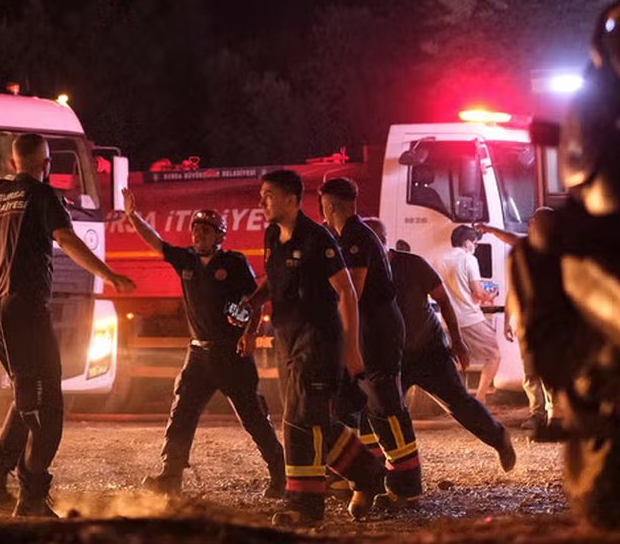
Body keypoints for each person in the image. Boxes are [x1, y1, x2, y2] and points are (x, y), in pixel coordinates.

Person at [0, 98, 135, 519]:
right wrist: (108, 274)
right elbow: (68, 242)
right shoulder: (41, 195)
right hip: (25, 310)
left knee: (25, 392)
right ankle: (31, 495)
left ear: (13, 160)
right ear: (44, 162)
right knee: (48, 405)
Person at [240, 170, 385, 527]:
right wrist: (252, 307)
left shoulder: (318, 238)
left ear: (291, 199)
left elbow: (347, 291)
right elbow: (274, 285)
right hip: (286, 342)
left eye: (269, 195)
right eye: (261, 194)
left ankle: (304, 507)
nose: (261, 202)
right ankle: (367, 472)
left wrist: (351, 351)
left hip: (319, 340)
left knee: (300, 422)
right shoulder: (272, 235)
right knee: (311, 420)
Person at [123, 191, 285, 498]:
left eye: (206, 230)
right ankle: (170, 476)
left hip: (230, 354)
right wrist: (133, 217)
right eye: (196, 228)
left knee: (252, 415)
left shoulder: (234, 263)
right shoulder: (185, 260)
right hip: (198, 353)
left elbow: (256, 302)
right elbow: (156, 243)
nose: (199, 234)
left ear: (219, 236)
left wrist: (250, 334)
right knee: (182, 411)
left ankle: (280, 473)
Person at [365, 218, 516, 471]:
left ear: (385, 240)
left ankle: (499, 438)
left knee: (458, 403)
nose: (375, 246)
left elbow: (443, 300)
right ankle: (383, 469)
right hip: (392, 357)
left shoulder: (412, 264)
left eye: (378, 239)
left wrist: (457, 342)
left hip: (429, 350)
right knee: (381, 411)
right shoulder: (363, 272)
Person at [319, 178, 422, 511]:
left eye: (322, 203)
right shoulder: (356, 234)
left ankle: (406, 489)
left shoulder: (354, 238)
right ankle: (393, 483)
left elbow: (354, 289)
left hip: (378, 334)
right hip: (375, 332)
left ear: (330, 204)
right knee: (376, 411)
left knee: (388, 408)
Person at [474, 220, 559, 439]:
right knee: (531, 372)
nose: (531, 229)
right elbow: (514, 290)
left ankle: (554, 415)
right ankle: (537, 414)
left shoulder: (558, 253)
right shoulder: (527, 255)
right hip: (528, 324)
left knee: (549, 371)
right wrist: (507, 322)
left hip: (549, 324)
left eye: (535, 225)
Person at [437, 225, 501, 402]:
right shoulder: (468, 259)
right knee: (494, 355)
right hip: (470, 318)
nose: (476, 247)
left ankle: (458, 401)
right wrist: (489, 296)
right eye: (476, 243)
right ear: (468, 243)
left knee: (456, 361)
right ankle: (480, 398)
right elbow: (478, 292)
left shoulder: (440, 260)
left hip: (447, 320)